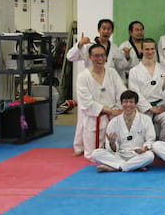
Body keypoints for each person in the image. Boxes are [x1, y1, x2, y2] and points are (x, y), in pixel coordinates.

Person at [66, 18, 121, 156]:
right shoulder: (88, 45)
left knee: (111, 120)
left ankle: (109, 146)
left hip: (107, 81)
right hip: (90, 81)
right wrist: (79, 44)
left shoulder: (113, 47)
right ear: (99, 30)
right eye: (103, 28)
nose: (106, 31)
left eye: (109, 29)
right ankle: (79, 146)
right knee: (84, 118)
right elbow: (70, 57)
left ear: (112, 31)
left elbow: (121, 64)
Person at [77, 44, 126, 159]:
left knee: (117, 151)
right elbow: (86, 102)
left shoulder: (112, 73)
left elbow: (122, 92)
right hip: (94, 119)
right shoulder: (83, 76)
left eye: (103, 55)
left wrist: (123, 107)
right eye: (96, 56)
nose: (100, 58)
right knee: (93, 156)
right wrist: (109, 111)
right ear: (90, 57)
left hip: (113, 118)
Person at [91, 90, 155, 172]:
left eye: (131, 102)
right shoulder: (114, 122)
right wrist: (112, 143)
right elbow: (112, 149)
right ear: (121, 104)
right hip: (119, 155)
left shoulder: (146, 119)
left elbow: (150, 139)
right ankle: (133, 166)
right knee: (96, 153)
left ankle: (115, 167)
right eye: (125, 102)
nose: (128, 105)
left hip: (138, 154)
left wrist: (144, 148)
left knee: (150, 156)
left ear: (136, 104)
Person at [127, 38, 165, 141]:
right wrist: (150, 108)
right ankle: (146, 146)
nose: (150, 52)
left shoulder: (163, 69)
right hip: (142, 108)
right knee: (142, 130)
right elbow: (135, 93)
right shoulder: (134, 71)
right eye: (147, 49)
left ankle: (163, 145)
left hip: (160, 106)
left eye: (152, 49)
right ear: (141, 50)